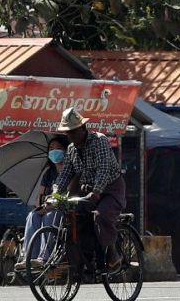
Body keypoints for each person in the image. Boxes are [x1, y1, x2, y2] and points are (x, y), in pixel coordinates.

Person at [51, 107, 126, 270]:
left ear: (83, 128)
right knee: (74, 220)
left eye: (74, 131)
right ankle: (83, 261)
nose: (71, 136)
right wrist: (55, 194)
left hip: (110, 189)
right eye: (68, 133)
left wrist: (97, 191)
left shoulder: (99, 140)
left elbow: (103, 169)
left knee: (100, 215)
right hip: (88, 192)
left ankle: (113, 252)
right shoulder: (71, 150)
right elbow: (65, 175)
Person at [22, 136, 68, 266]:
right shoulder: (49, 173)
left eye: (59, 149)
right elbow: (40, 196)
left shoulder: (70, 171)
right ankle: (29, 258)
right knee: (33, 215)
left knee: (50, 217)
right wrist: (41, 205)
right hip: (48, 207)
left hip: (64, 210)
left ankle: (44, 258)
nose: (54, 152)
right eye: (51, 149)